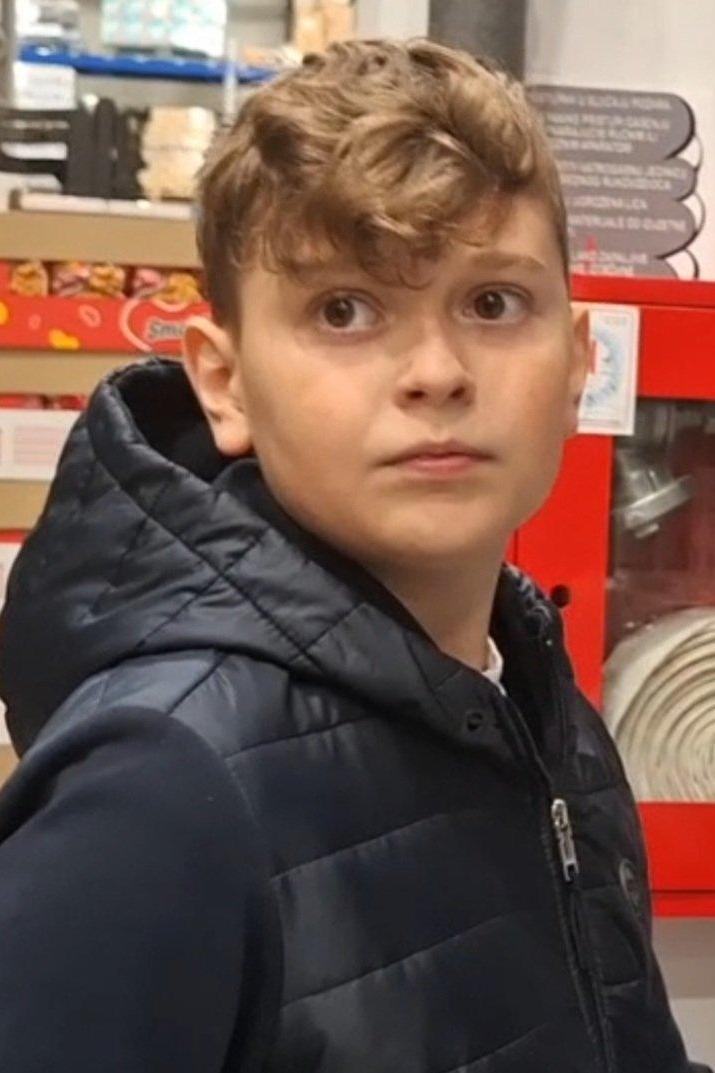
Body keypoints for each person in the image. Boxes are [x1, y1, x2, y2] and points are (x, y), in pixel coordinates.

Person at [0, 38, 709, 1073]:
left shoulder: (536, 700)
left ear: (577, 362)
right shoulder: (157, 788)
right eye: (344, 309)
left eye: (493, 303)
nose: (436, 371)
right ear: (224, 383)